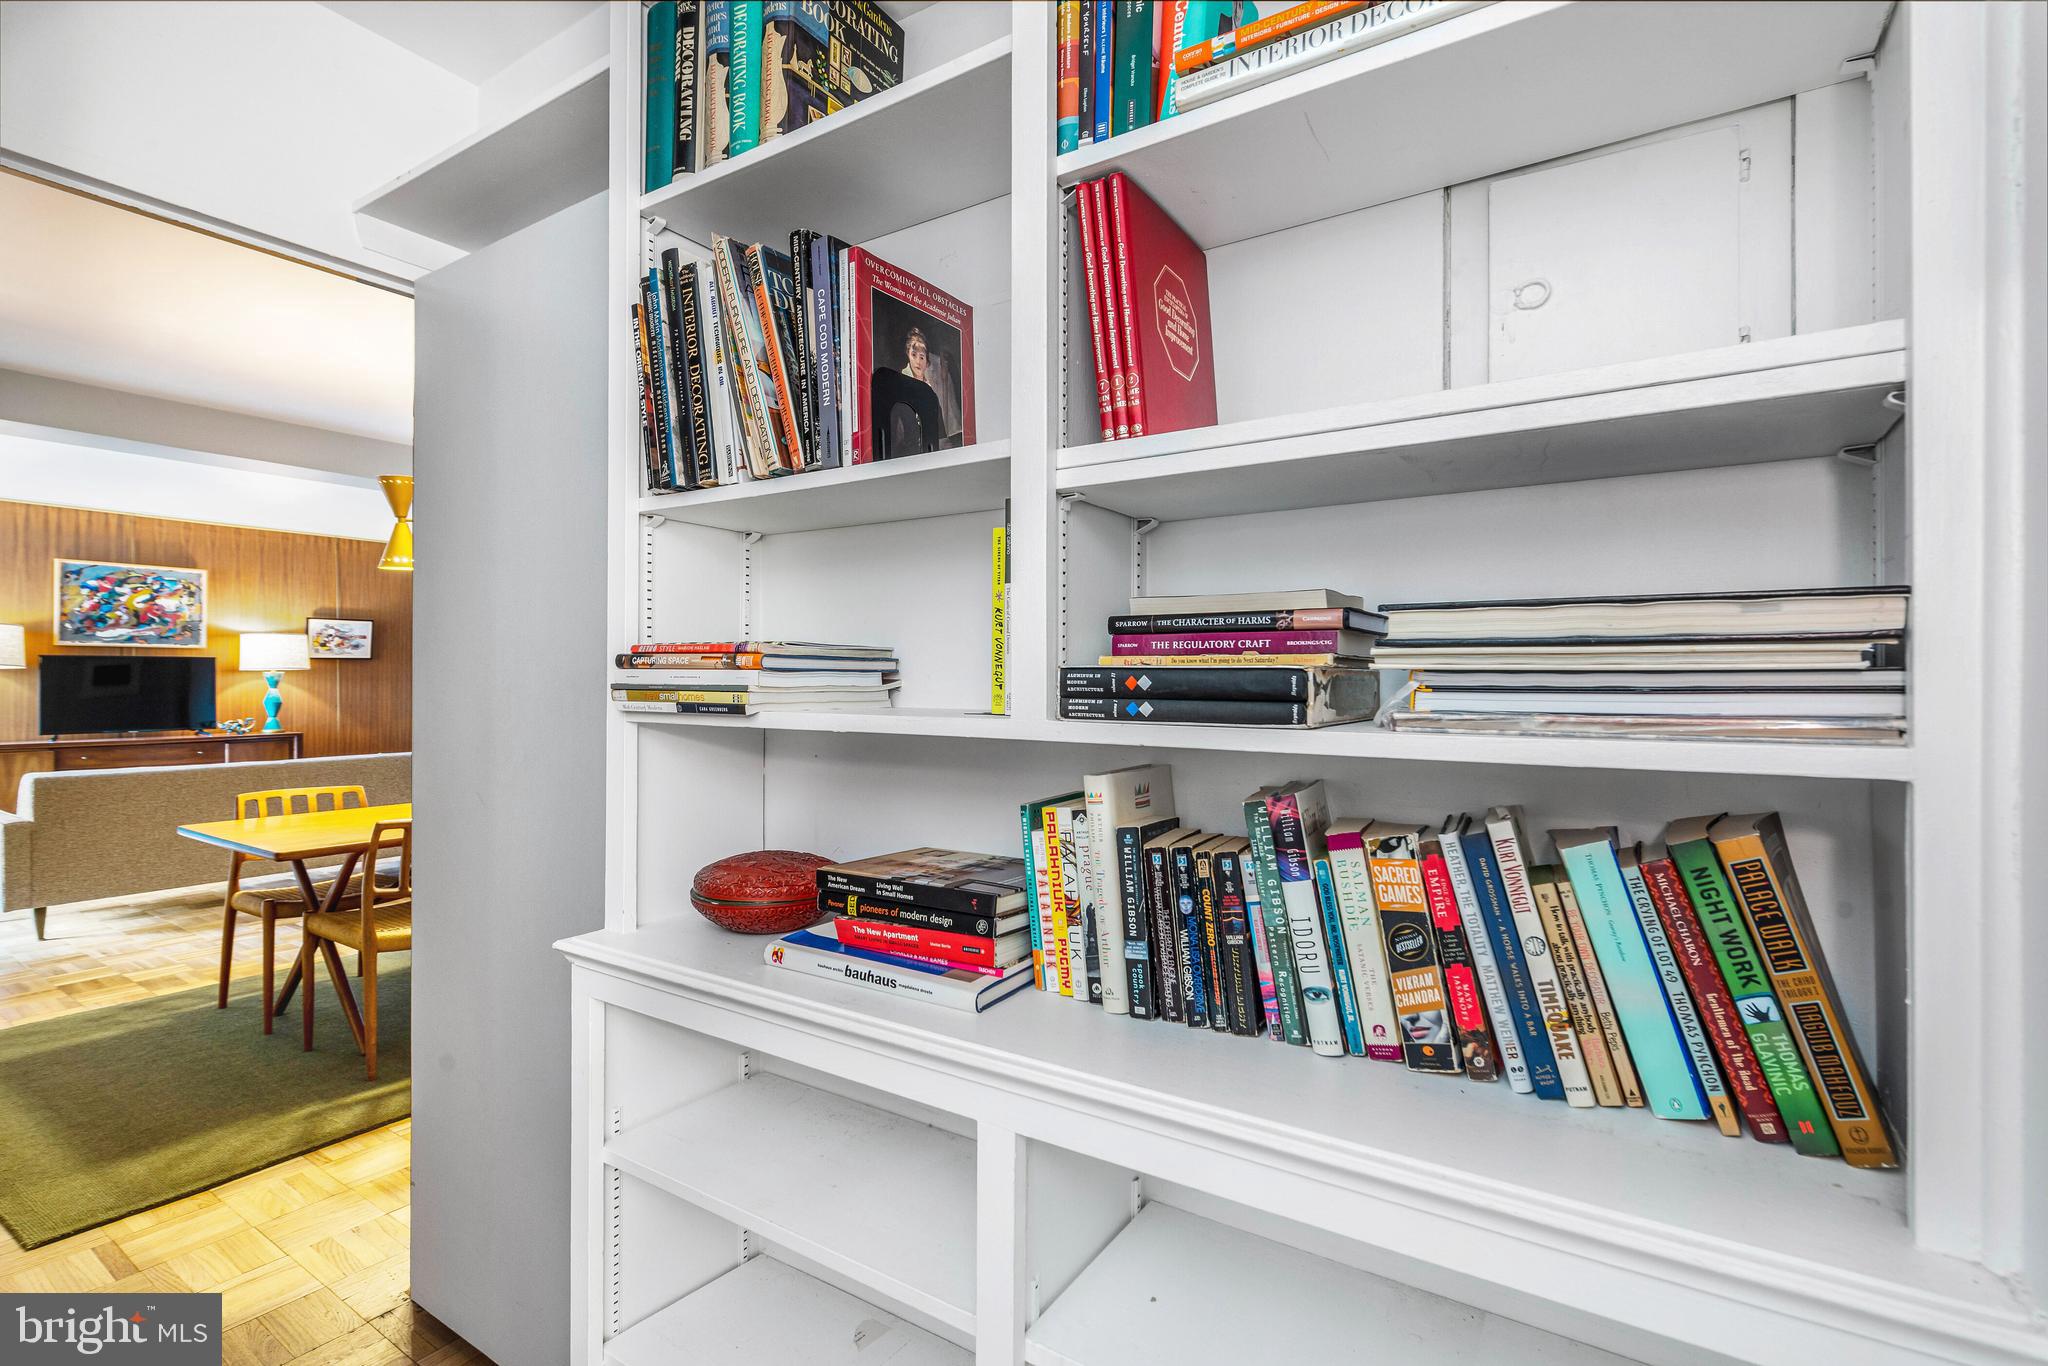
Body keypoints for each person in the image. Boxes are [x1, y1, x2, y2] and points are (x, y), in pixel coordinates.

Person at [869, 323, 950, 458]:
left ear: (927, 361)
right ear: (908, 355)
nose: (918, 361)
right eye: (914, 355)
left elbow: (941, 435)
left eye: (922, 357)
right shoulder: (897, 390)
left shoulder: (930, 395)